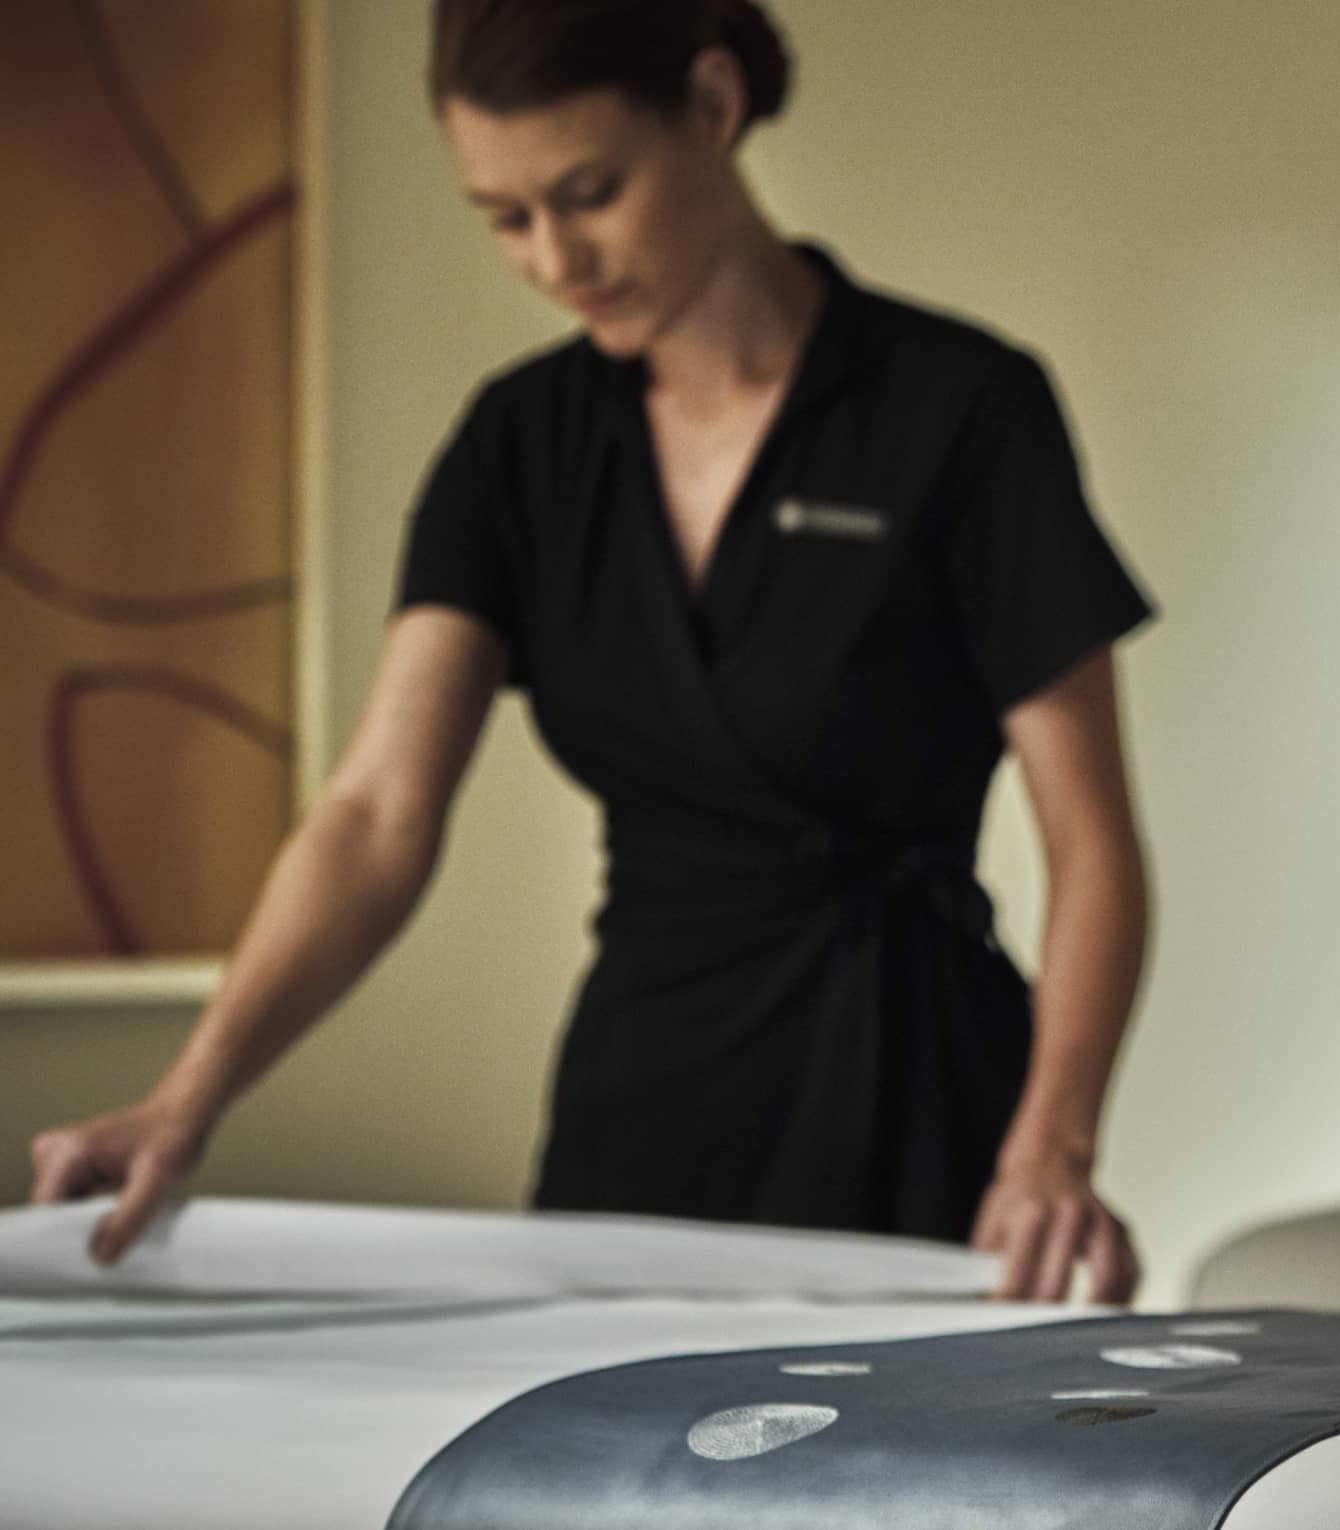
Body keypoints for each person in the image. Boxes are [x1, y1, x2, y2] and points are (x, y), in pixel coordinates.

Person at [29, 0, 1155, 1304]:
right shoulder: (518, 450)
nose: (556, 257)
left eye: (589, 193)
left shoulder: (957, 408)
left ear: (715, 106)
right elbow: (374, 815)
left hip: (915, 1098)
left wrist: (1051, 1147)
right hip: (645, 1104)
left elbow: (1092, 843)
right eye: (505, 219)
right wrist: (188, 1095)